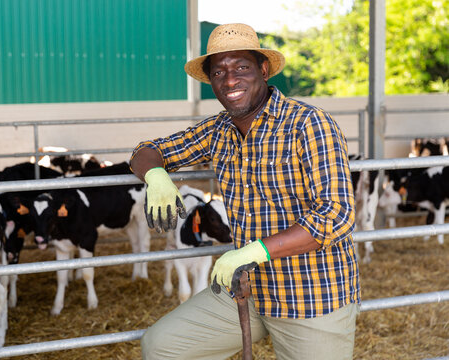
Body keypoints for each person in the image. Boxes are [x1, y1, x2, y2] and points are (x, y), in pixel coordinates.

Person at [130, 23, 359, 360]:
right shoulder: (218, 129)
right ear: (211, 81)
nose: (230, 79)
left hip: (312, 294)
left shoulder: (308, 123)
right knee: (162, 346)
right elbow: (146, 150)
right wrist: (156, 175)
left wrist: (254, 251)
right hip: (247, 288)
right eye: (219, 71)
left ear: (263, 70)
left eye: (241, 67)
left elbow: (336, 214)